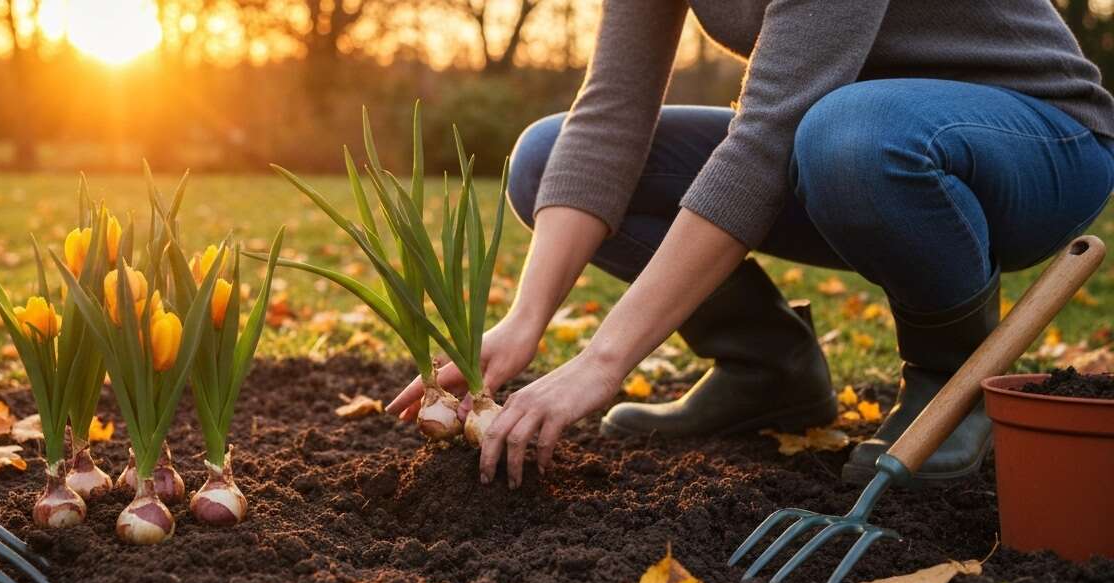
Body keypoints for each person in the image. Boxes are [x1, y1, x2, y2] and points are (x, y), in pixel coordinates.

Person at [387, 0, 1114, 490]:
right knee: (547, 158)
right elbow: (610, 114)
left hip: (1036, 141)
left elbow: (768, 133)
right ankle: (767, 370)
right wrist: (526, 321)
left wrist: (603, 361)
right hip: (837, 147)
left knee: (849, 133)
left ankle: (950, 376)